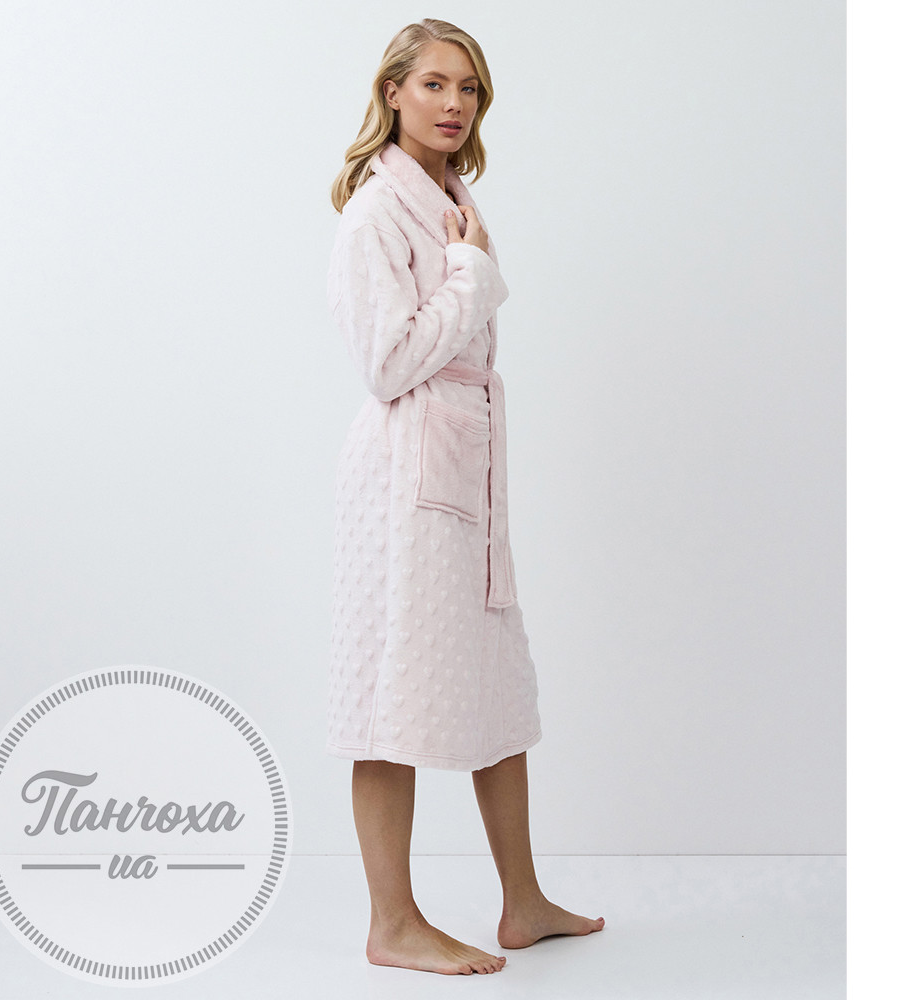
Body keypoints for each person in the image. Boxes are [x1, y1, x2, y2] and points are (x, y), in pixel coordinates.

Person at [326, 18, 604, 976]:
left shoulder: (450, 196)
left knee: (496, 680)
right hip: (404, 483)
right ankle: (393, 922)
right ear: (393, 91)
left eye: (469, 89)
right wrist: (473, 274)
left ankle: (522, 901)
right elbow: (387, 363)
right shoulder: (376, 213)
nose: (454, 104)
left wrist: (468, 268)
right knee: (387, 691)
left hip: (465, 474)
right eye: (435, 84)